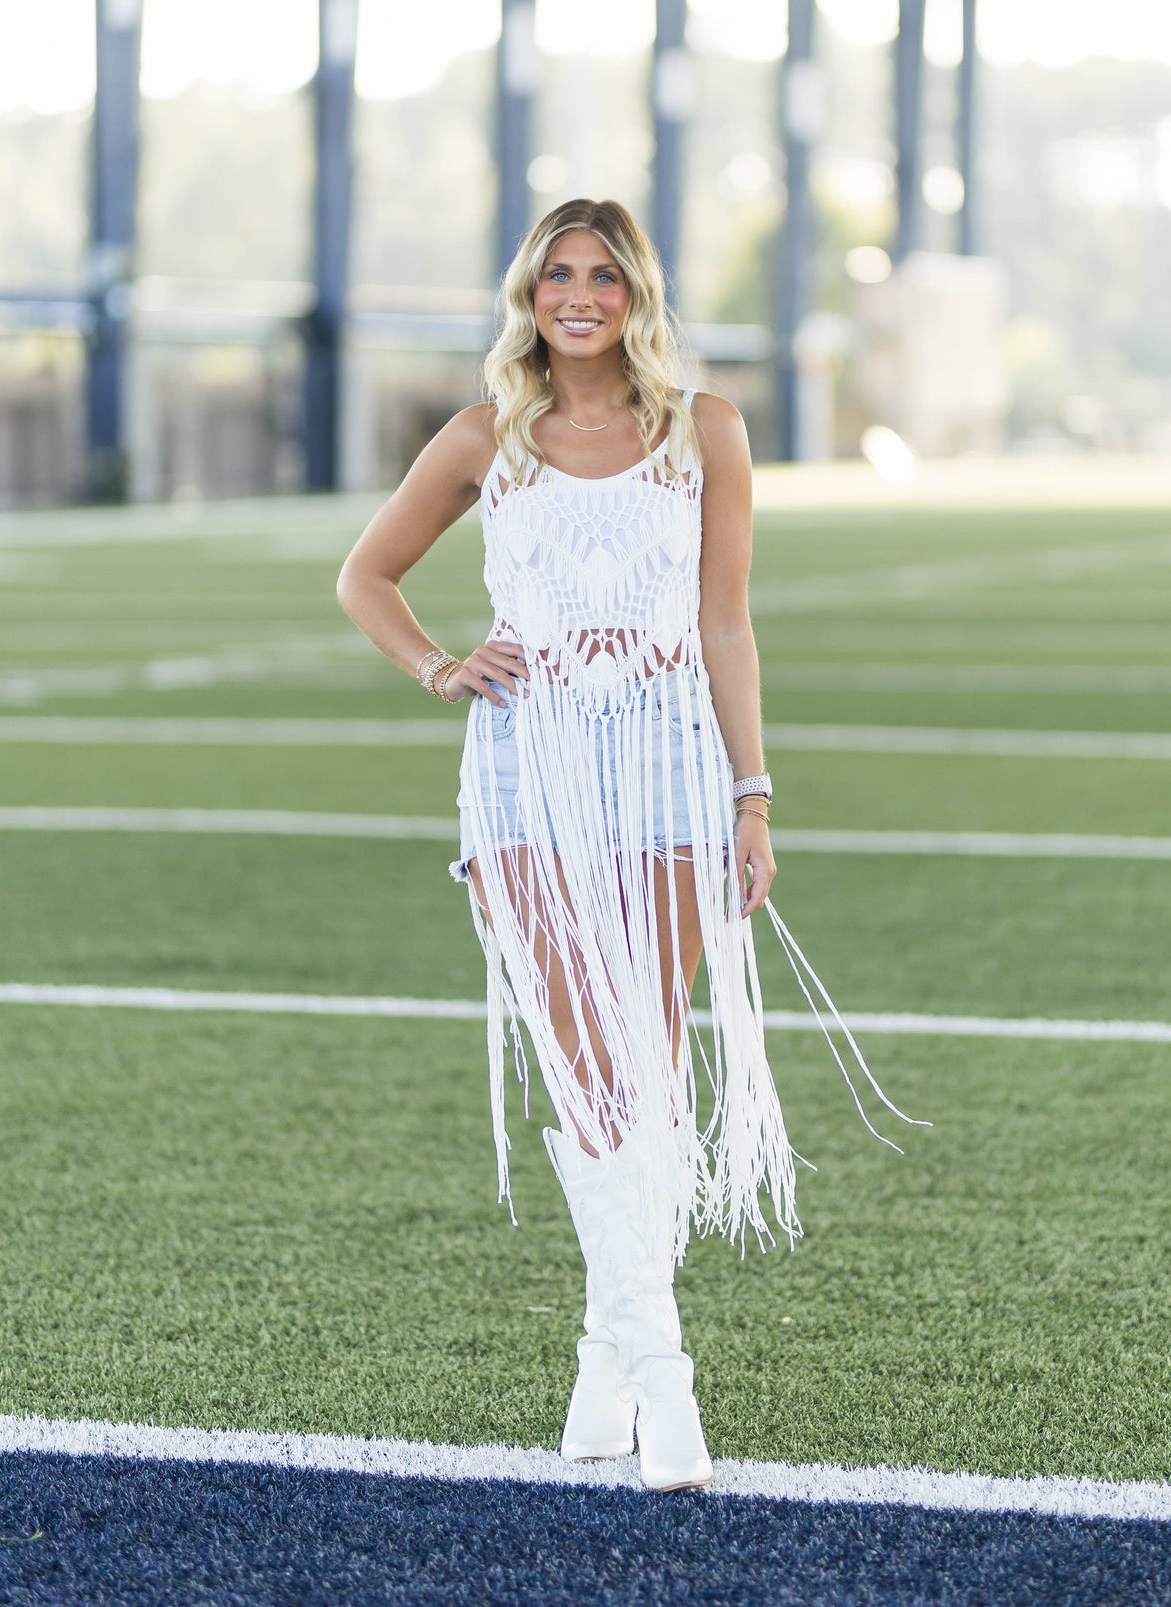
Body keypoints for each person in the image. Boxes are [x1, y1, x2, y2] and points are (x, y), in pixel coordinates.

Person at [337, 198, 911, 1493]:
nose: (578, 295)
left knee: (641, 1061)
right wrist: (436, 667)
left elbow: (724, 624)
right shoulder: (485, 436)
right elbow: (364, 575)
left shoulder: (704, 431)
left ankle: (606, 1358)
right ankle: (665, 1379)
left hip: (667, 762)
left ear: (639, 294)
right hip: (525, 766)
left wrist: (751, 795)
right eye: (556, 275)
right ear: (527, 294)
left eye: (603, 275)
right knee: (585, 1056)